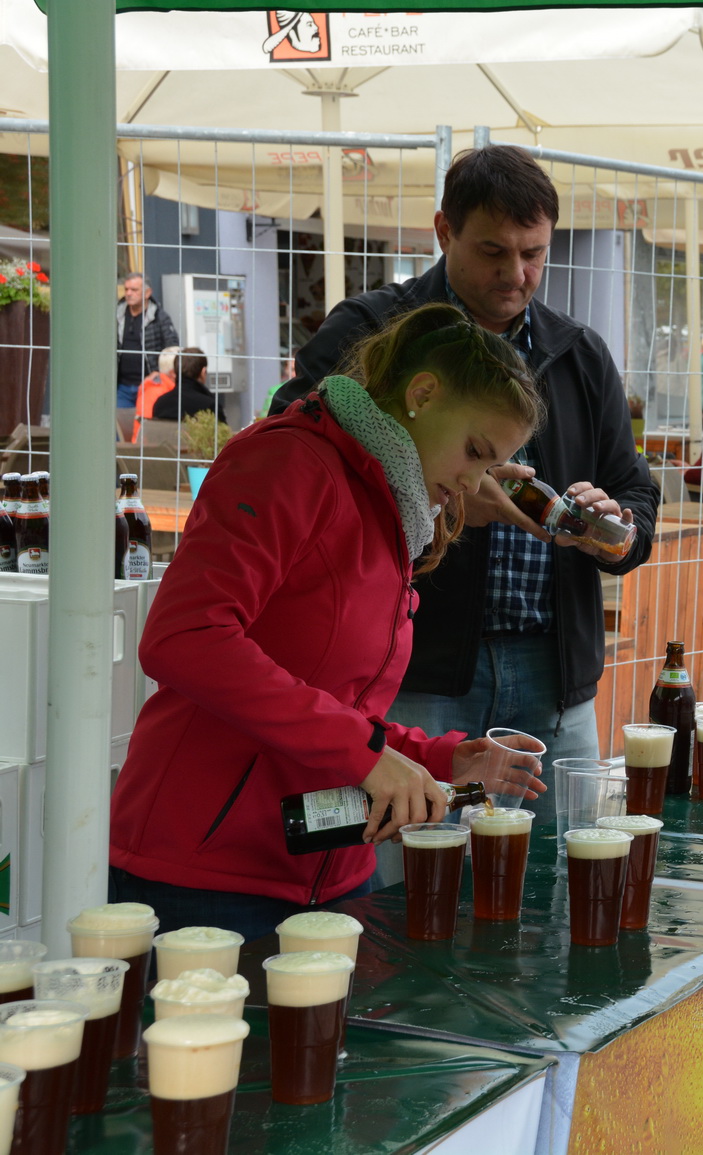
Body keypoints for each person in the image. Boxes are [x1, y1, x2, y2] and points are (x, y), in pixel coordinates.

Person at [109, 303, 549, 940]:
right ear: (421, 394)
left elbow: (338, 705)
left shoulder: (392, 510)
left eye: (493, 466)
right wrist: (369, 756)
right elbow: (185, 637)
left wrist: (435, 760)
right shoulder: (288, 463)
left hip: (331, 869)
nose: (475, 482)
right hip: (207, 876)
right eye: (476, 452)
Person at [269, 145, 659, 828]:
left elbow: (638, 497)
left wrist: (613, 530)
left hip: (554, 672)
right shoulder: (371, 330)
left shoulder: (580, 353)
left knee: (555, 890)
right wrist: (433, 500)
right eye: (493, 251)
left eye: (534, 253)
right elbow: (294, 447)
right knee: (414, 889)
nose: (517, 274)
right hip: (416, 671)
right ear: (443, 230)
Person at [116, 272, 179, 409]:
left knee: (147, 427)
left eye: (134, 290)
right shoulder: (117, 315)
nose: (128, 293)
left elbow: (172, 348)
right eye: (126, 289)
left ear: (147, 293)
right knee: (119, 427)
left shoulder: (159, 317)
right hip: (122, 387)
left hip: (150, 385)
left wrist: (159, 373)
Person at [152, 347, 217, 422]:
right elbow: (222, 432)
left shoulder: (160, 403)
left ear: (176, 373)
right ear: (203, 371)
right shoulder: (209, 405)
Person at [132, 346, 179, 439]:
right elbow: (148, 432)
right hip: (151, 449)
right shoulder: (156, 393)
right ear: (173, 373)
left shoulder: (160, 387)